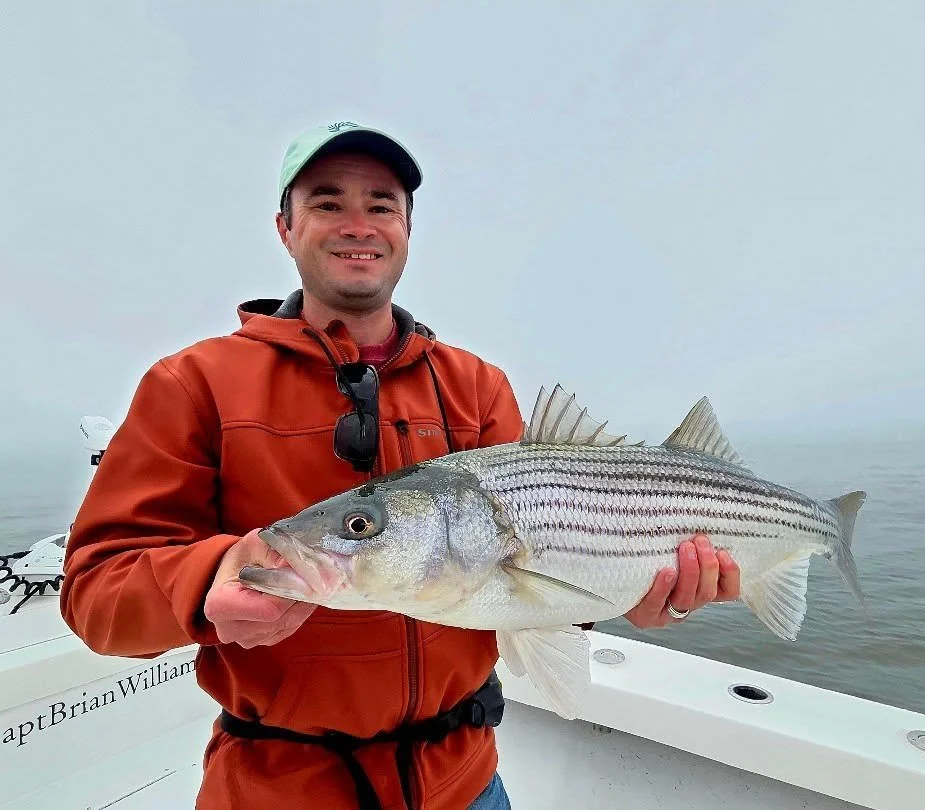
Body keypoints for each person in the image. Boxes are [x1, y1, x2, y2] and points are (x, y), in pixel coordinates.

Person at [60, 121, 741, 810]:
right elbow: (95, 597)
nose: (358, 224)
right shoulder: (193, 383)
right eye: (328, 203)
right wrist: (206, 579)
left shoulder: (477, 385)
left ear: (407, 229)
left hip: (465, 783)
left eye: (381, 205)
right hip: (279, 791)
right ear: (285, 228)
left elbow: (541, 565)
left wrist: (630, 596)